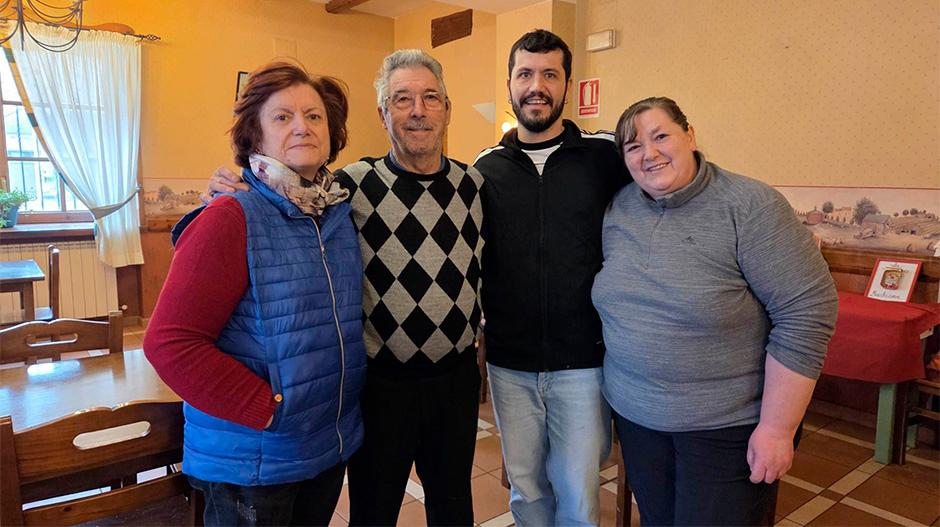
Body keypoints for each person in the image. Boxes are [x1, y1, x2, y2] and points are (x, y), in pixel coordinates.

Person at [206, 50, 484, 526]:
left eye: (430, 97)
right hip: (379, 386)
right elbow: (285, 192)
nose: (418, 110)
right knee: (373, 511)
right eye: (402, 99)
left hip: (455, 382)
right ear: (383, 113)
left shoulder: (475, 184)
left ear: (447, 109)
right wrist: (230, 186)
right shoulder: (348, 187)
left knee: (454, 508)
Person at [592, 96, 839, 525]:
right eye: (633, 146)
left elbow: (807, 312)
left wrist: (778, 429)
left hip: (725, 429)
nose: (648, 153)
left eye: (660, 136)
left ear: (689, 135)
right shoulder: (619, 209)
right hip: (638, 421)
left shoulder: (750, 206)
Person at [143, 62, 365, 527]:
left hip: (324, 444)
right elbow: (169, 343)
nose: (303, 126)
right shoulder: (230, 217)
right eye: (282, 117)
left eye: (315, 115)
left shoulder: (337, 217)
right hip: (252, 461)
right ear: (255, 138)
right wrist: (267, 411)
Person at [473, 30, 630, 526]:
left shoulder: (603, 156)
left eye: (549, 74)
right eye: (525, 74)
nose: (536, 85)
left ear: (567, 84)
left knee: (579, 493)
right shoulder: (485, 169)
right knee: (526, 488)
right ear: (510, 84)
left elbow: (668, 180)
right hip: (509, 363)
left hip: (583, 361)